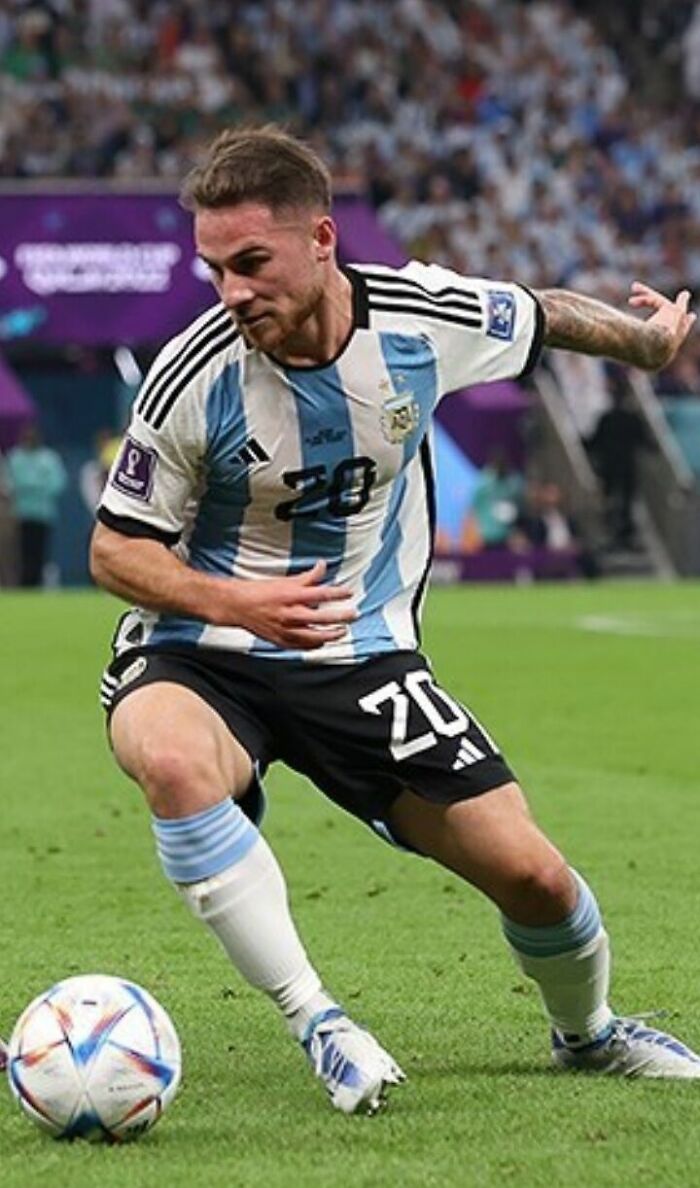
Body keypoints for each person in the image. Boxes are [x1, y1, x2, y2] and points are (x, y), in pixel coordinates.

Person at [91, 126, 699, 1116]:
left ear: (322, 238)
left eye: (251, 262)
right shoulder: (189, 376)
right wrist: (238, 602)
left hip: (361, 655)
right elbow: (116, 551)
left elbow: (541, 317)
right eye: (214, 269)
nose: (232, 291)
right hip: (202, 650)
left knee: (535, 879)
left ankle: (587, 1035)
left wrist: (644, 341)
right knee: (168, 757)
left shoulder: (419, 317)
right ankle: (318, 1021)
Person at [586, 381, 656, 550]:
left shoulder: (606, 418)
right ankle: (625, 534)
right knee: (626, 502)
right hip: (627, 467)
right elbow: (646, 442)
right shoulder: (632, 418)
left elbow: (592, 442)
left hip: (608, 468)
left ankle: (611, 532)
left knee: (611, 500)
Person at [6, 424, 67, 587]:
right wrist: (35, 485)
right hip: (21, 513)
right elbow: (11, 484)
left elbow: (57, 483)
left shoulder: (49, 459)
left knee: (40, 551)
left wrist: (30, 486)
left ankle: (37, 582)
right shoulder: (15, 458)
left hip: (43, 513)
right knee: (22, 552)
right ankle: (24, 583)